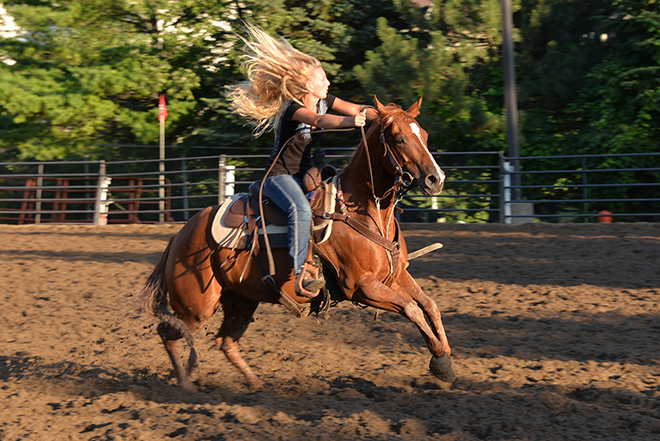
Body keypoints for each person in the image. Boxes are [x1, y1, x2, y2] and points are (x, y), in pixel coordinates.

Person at [226, 23, 377, 298]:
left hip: (306, 173)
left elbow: (357, 108)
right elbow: (320, 121)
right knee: (301, 210)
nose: (328, 84)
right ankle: (302, 273)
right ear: (308, 85)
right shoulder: (293, 108)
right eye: (323, 80)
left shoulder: (324, 99)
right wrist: (350, 122)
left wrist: (389, 116)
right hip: (278, 176)